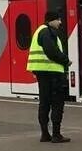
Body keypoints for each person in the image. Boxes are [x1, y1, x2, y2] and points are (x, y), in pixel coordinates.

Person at [27, 10, 72, 143]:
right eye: (58, 20)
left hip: (42, 72)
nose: (60, 22)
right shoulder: (47, 32)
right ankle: (56, 134)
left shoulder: (40, 31)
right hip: (52, 73)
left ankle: (45, 134)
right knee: (57, 103)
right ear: (51, 20)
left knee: (44, 103)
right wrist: (65, 60)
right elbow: (51, 51)